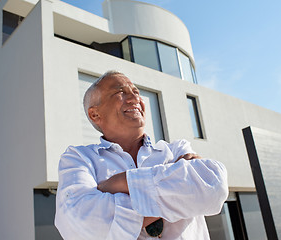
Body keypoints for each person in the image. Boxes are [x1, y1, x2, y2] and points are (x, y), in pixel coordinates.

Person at [55, 70, 228, 239]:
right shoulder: (78, 158)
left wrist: (120, 183)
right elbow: (83, 224)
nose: (135, 98)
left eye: (136, 92)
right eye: (120, 92)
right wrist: (177, 189)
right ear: (95, 114)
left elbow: (214, 187)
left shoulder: (176, 149)